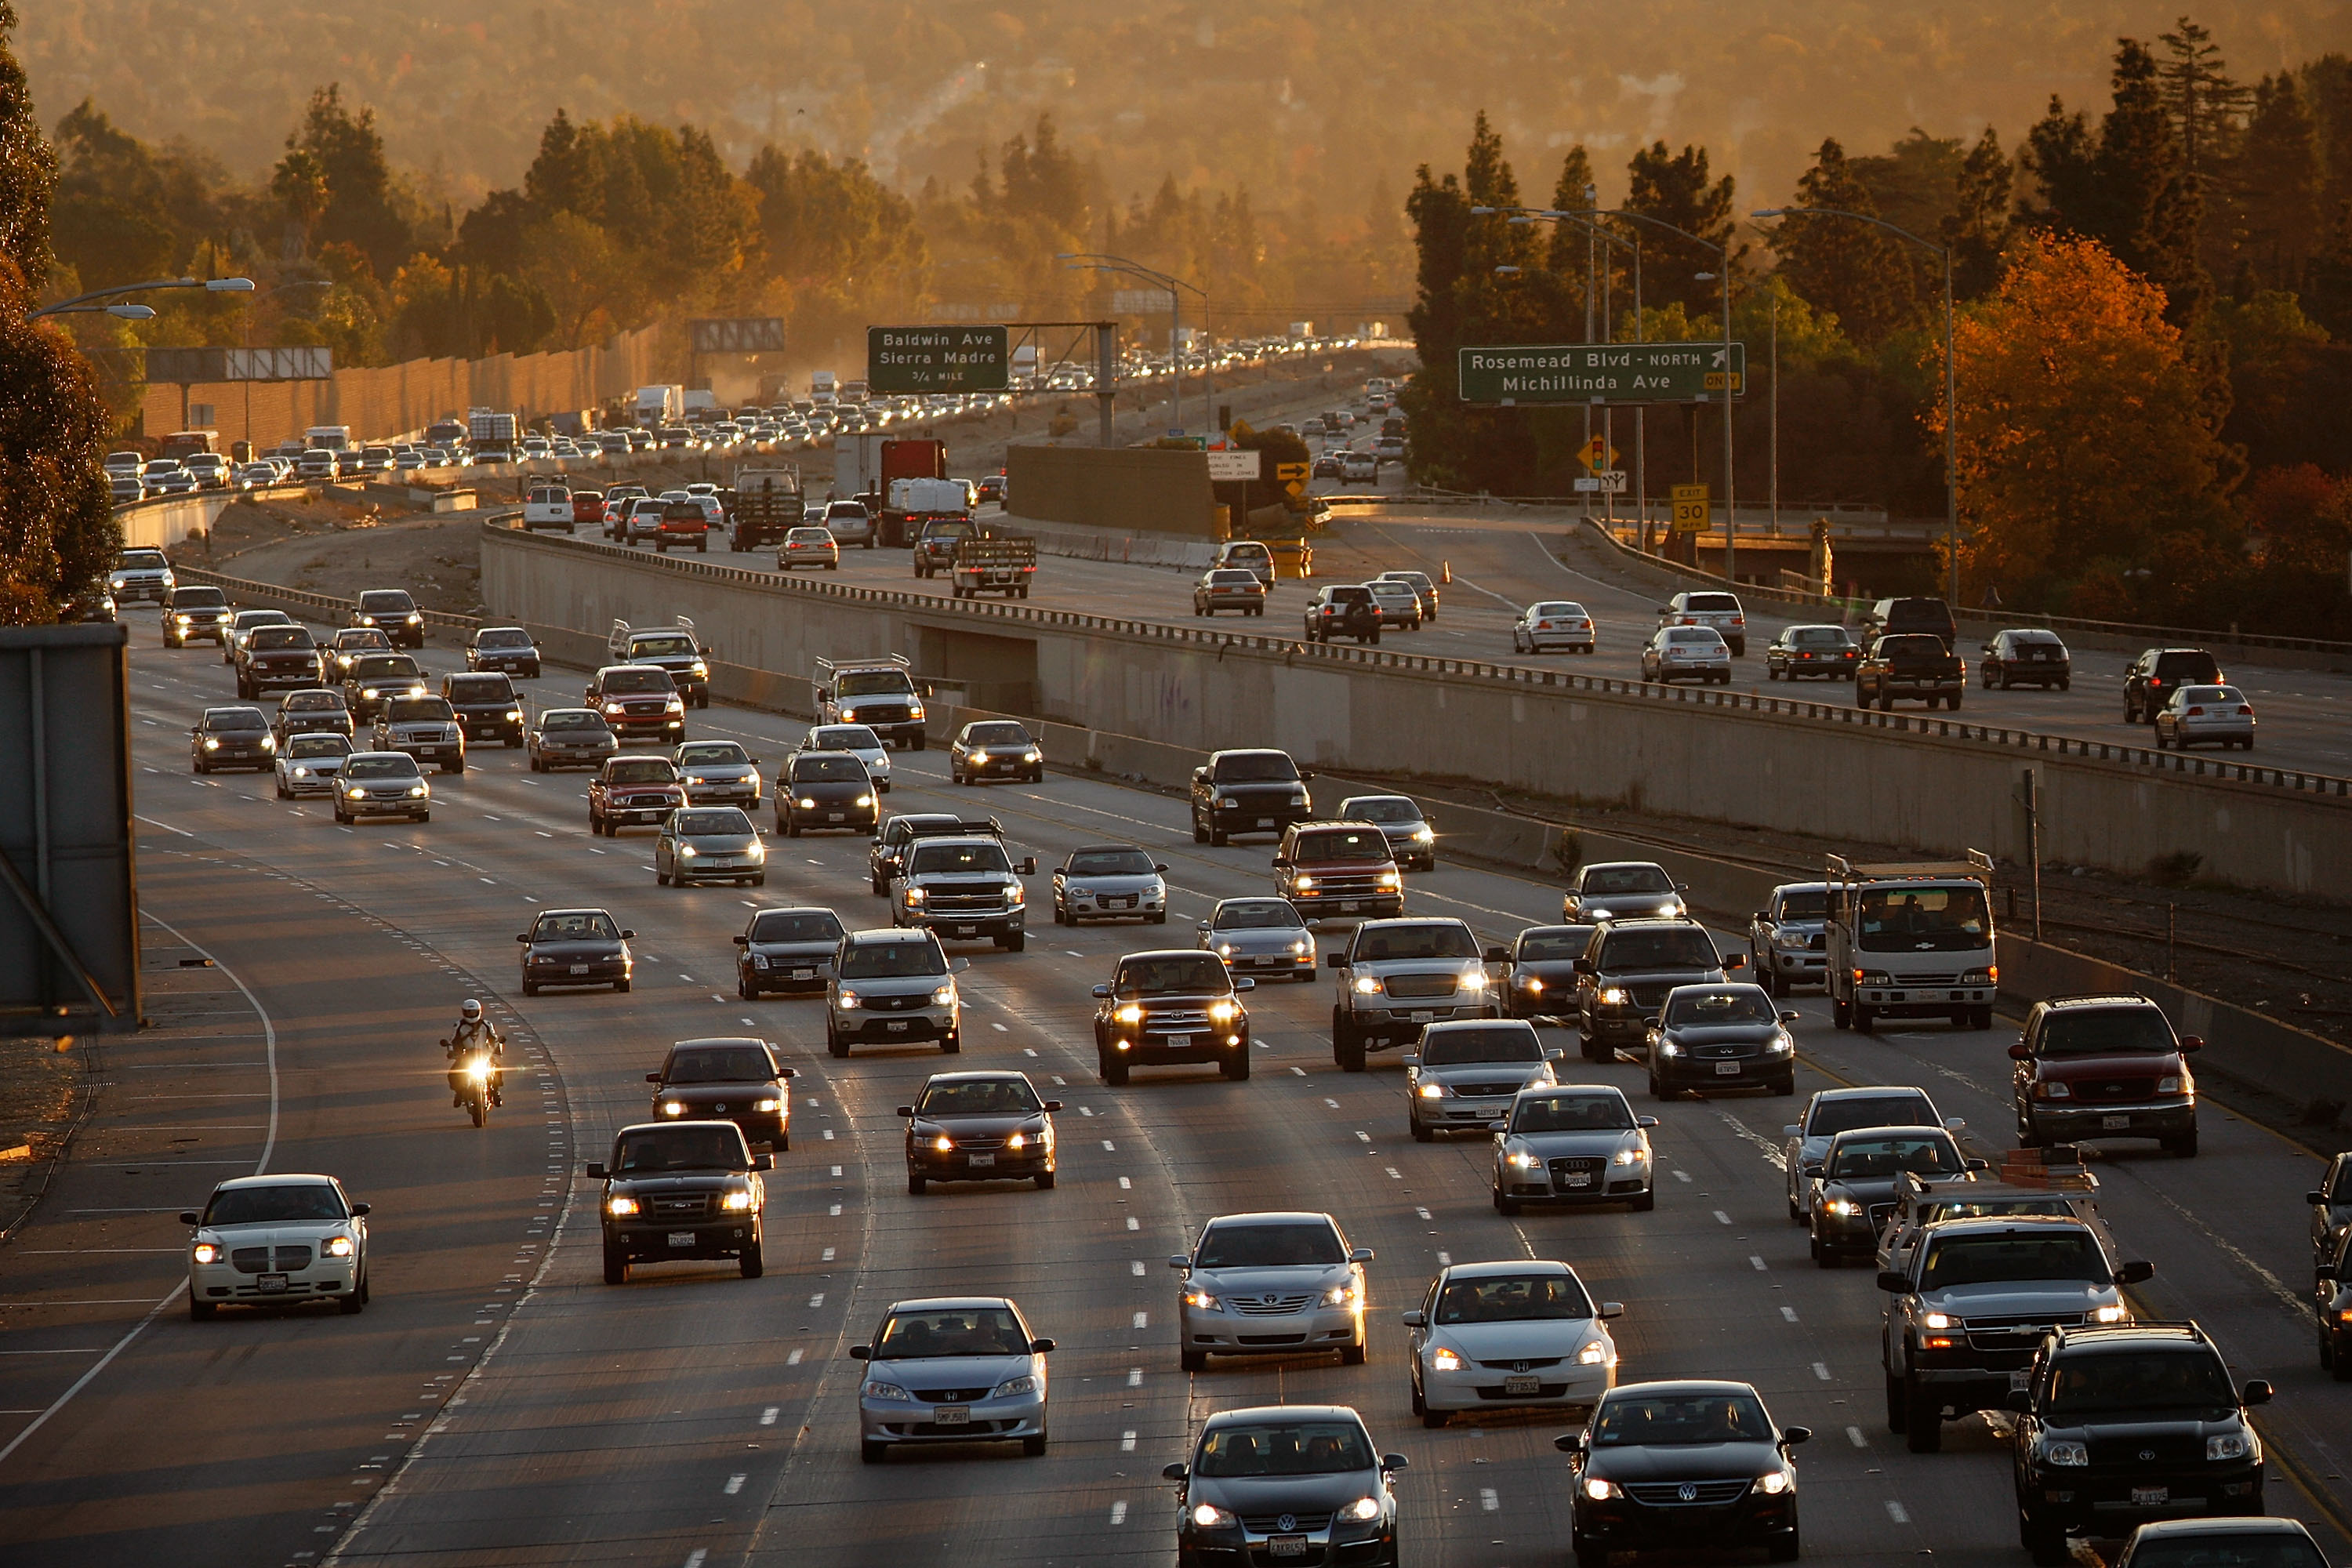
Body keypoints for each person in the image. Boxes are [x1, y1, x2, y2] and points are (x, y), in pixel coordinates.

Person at [445, 999, 504, 1109]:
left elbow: (494, 1039)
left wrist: (497, 1050)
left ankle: (496, 1091)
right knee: (453, 1073)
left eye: (473, 1012)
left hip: (484, 1055)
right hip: (467, 1055)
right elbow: (452, 1040)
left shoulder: (486, 1024)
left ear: (479, 1011)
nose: (471, 1015)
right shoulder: (459, 1025)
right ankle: (459, 1093)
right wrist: (452, 1052)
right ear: (464, 1012)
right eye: (468, 1012)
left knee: (496, 1068)